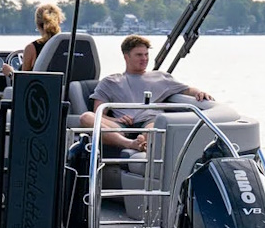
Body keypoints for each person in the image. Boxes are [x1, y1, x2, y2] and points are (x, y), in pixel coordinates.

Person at [78, 34, 211, 146]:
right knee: (86, 117)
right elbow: (98, 112)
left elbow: (187, 90)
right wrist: (117, 119)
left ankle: (142, 142)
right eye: (139, 55)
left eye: (146, 54)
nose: (144, 59)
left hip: (149, 120)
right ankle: (129, 144)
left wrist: (199, 92)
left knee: (155, 126)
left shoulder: (161, 77)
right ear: (126, 57)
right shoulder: (110, 81)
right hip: (121, 126)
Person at [17, 2, 63, 72]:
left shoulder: (31, 49)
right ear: (59, 21)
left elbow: (24, 78)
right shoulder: (70, 45)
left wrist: (10, 73)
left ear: (37, 24)